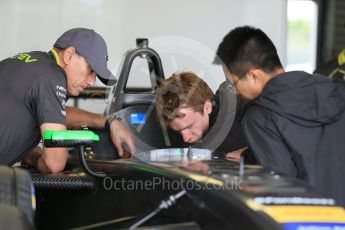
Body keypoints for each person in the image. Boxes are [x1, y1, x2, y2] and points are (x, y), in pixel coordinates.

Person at [215, 25, 345, 206]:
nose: (235, 91)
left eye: (234, 83)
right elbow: (315, 146)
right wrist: (251, 154)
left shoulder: (260, 117)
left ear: (253, 76)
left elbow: (280, 190)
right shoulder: (333, 89)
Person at [0, 28, 135, 173]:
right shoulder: (52, 76)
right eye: (90, 70)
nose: (92, 82)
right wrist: (37, 159)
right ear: (69, 55)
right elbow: (54, 164)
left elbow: (55, 113)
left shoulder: (32, 64)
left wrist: (109, 122)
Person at [155, 71, 250, 162]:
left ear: (207, 107)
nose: (186, 138)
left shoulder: (232, 121)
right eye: (179, 130)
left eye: (190, 126)